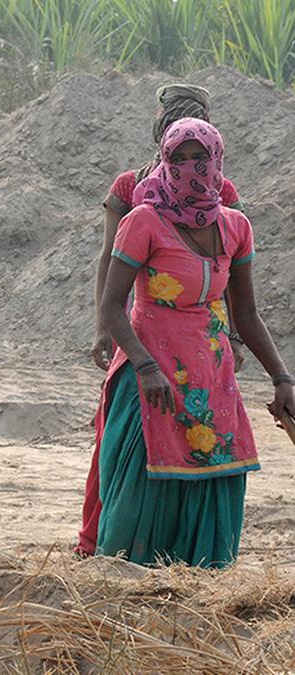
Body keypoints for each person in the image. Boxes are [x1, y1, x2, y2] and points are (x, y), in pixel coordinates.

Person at [95, 117, 294, 568]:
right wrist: (146, 368)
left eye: (199, 158)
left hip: (210, 374)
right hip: (151, 377)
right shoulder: (143, 221)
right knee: (142, 492)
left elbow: (246, 313)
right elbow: (112, 305)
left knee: (215, 472)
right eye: (178, 159)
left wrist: (282, 379)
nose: (190, 168)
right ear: (164, 162)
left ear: (216, 160)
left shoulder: (236, 227)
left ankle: (200, 584)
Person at [78, 83, 246, 557]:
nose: (192, 167)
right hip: (144, 333)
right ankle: (111, 544)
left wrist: (228, 336)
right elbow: (109, 268)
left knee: (199, 444)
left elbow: (223, 270)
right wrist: (105, 327)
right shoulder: (132, 190)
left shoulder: (222, 194)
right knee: (128, 438)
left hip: (200, 343)